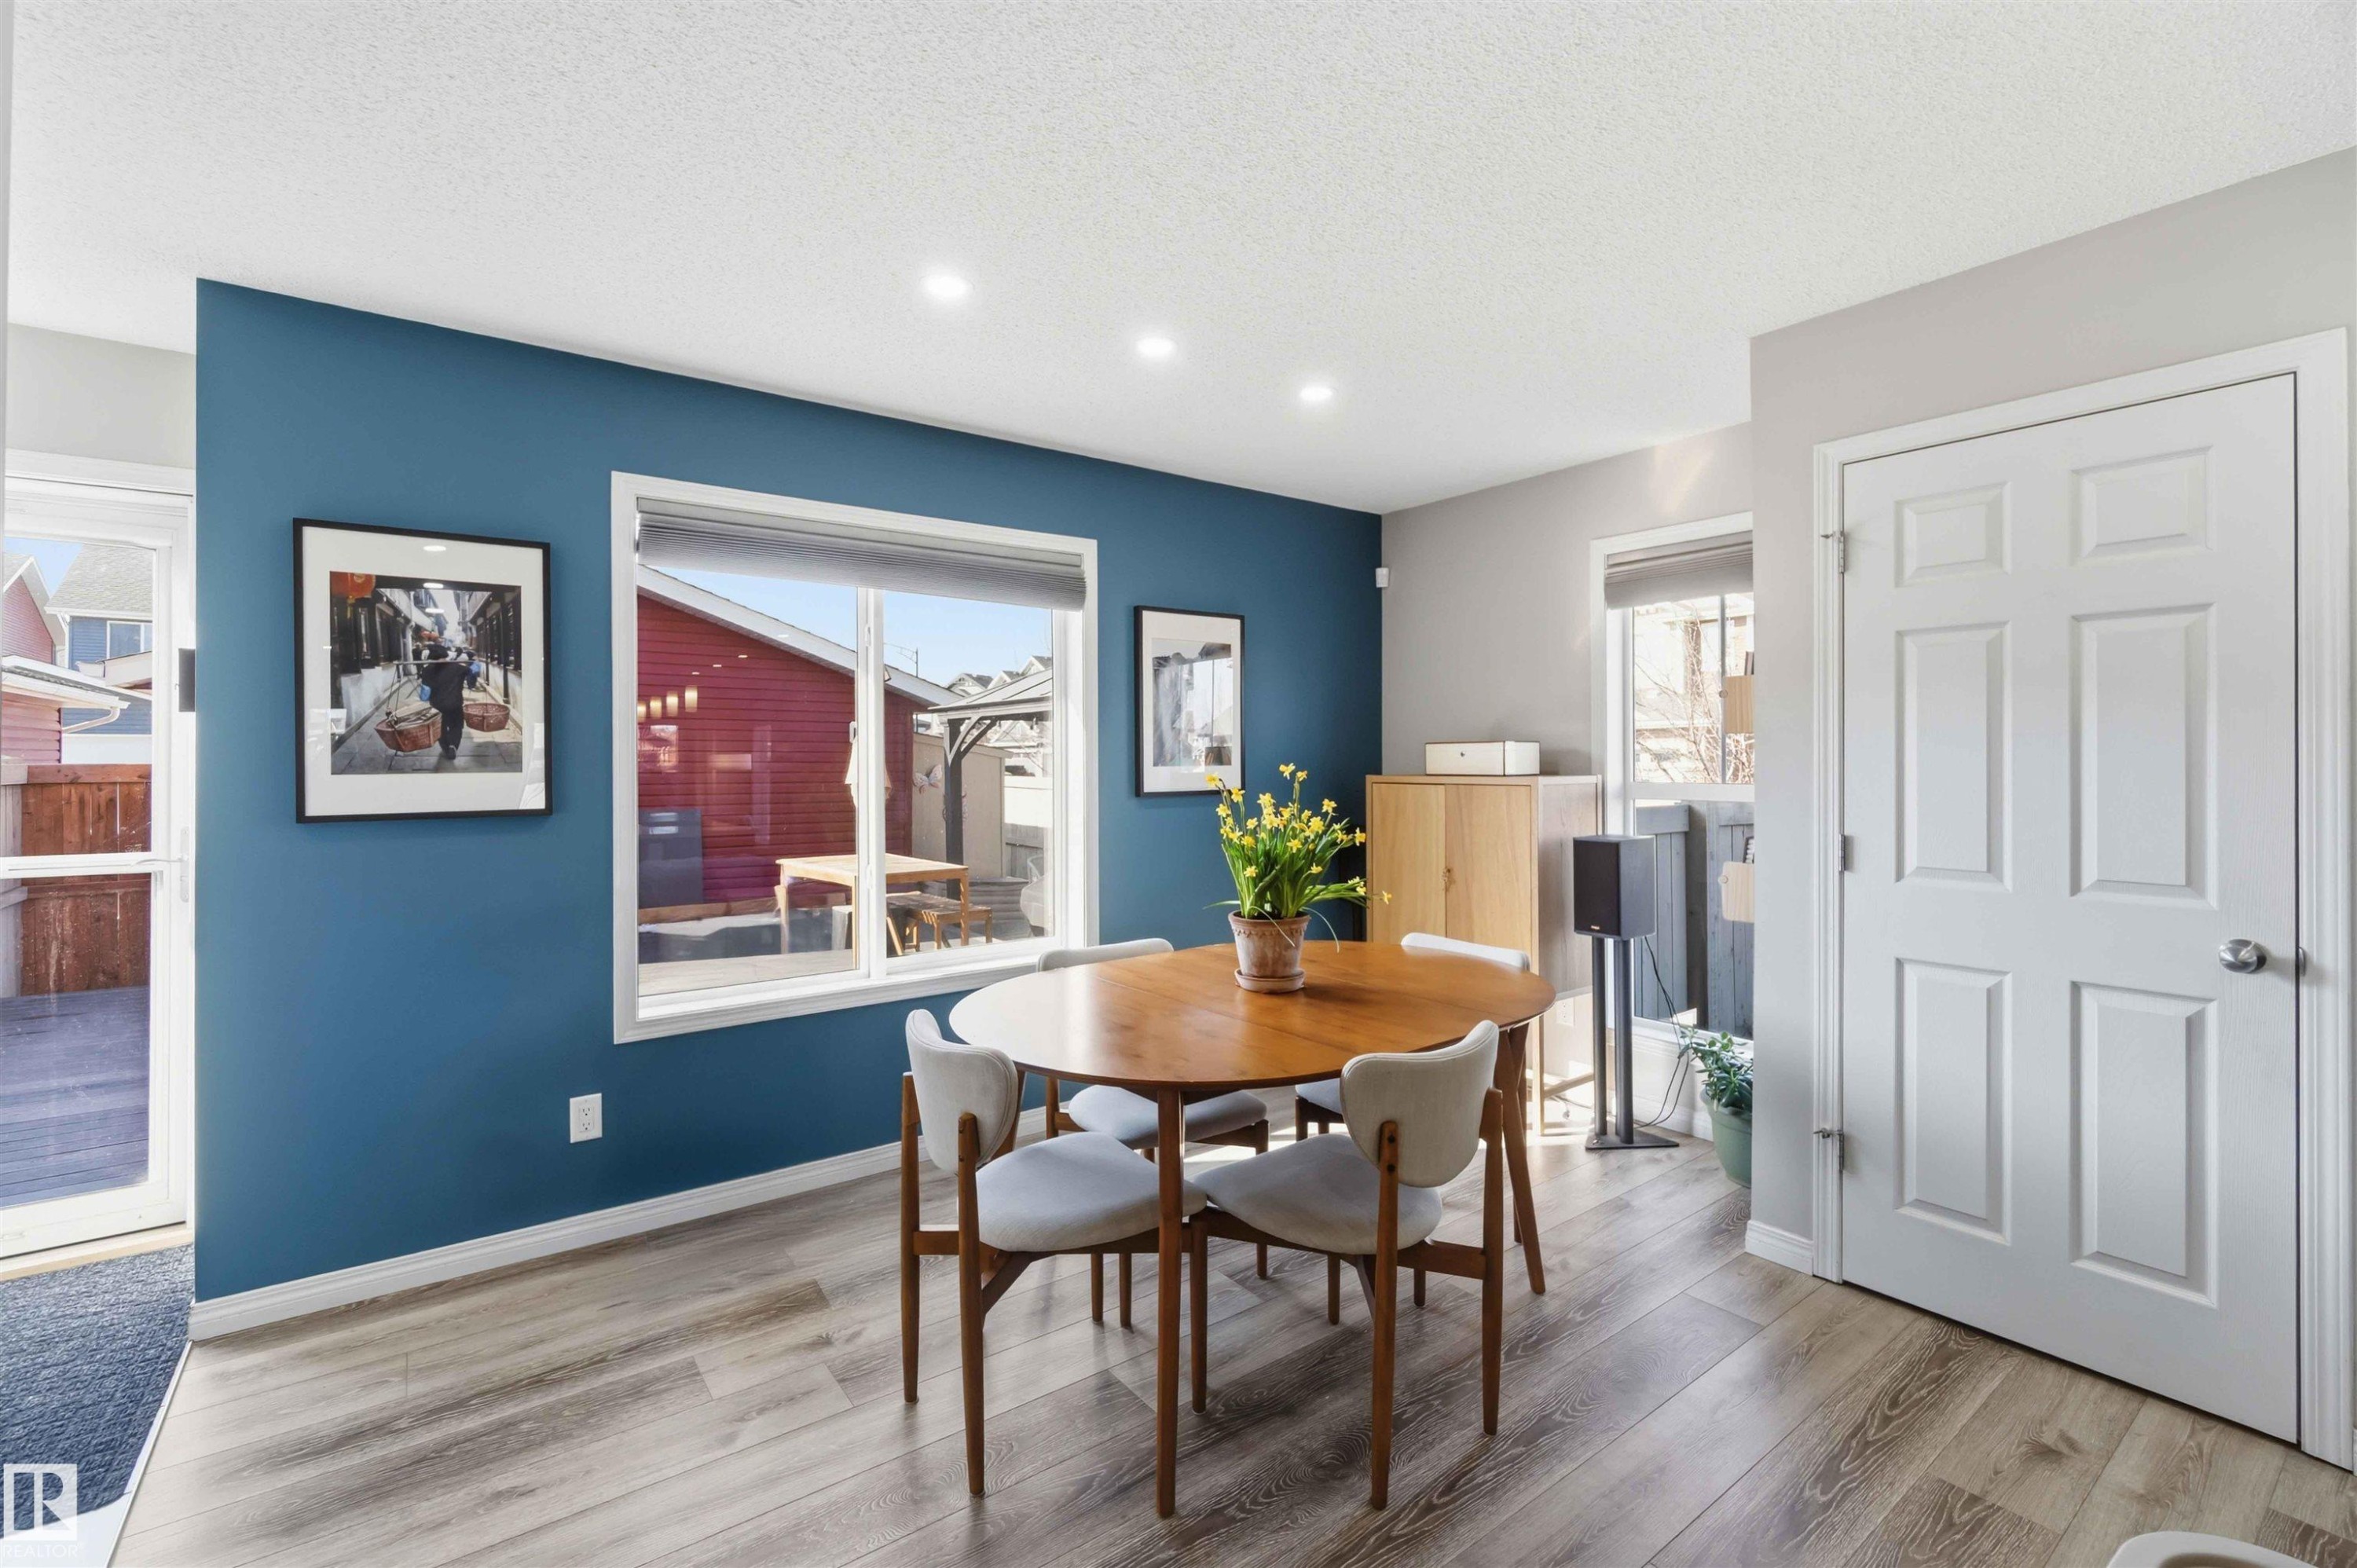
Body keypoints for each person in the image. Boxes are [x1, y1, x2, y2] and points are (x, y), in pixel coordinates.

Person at [416, 644, 471, 763]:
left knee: (441, 727)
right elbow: (470, 671)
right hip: (455, 703)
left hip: (437, 705)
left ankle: (446, 748)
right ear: (446, 655)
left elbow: (425, 685)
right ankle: (453, 746)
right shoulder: (458, 668)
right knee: (456, 726)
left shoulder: (427, 670)